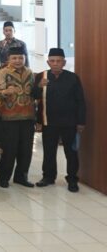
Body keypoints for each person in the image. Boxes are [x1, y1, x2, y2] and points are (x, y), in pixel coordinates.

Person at [33, 48, 86, 192]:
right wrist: (39, 87)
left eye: (58, 61)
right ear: (48, 62)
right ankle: (48, 177)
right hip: (49, 122)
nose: (55, 64)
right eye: (52, 61)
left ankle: (72, 180)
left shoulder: (72, 78)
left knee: (71, 153)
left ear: (64, 62)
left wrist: (81, 122)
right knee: (49, 152)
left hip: (69, 123)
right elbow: (33, 97)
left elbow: (80, 101)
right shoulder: (41, 76)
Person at [0, 46, 36, 188]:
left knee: (26, 150)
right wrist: (6, 91)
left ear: (25, 58)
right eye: (14, 58)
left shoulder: (30, 73)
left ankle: (21, 177)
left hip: (28, 117)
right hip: (9, 117)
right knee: (9, 149)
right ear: (8, 59)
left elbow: (34, 94)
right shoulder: (2, 73)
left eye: (20, 58)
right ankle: (4, 178)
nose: (18, 61)